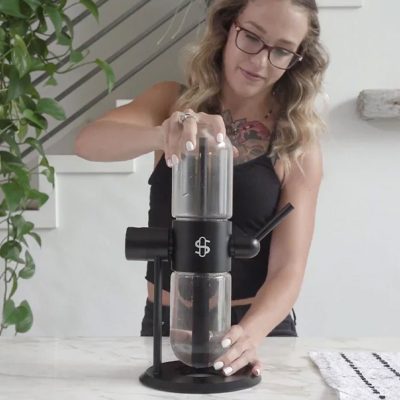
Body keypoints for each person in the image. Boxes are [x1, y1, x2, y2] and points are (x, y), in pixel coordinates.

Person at [75, 0, 329, 378]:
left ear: (297, 59)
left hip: (256, 330)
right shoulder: (170, 102)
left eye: (281, 51)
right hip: (169, 325)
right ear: (228, 27)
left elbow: (288, 269)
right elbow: (88, 143)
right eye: (252, 37)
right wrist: (162, 135)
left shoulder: (297, 143)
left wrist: (248, 335)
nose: (260, 61)